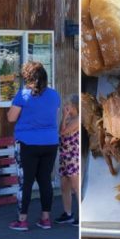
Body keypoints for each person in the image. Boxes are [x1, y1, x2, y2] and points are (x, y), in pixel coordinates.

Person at [7, 61, 61, 231]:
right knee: (45, 180)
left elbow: (11, 118)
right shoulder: (54, 95)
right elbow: (53, 115)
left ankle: (22, 220)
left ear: (27, 77)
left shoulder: (23, 95)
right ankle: (46, 219)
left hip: (27, 143)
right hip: (50, 142)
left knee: (26, 182)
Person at [54, 94, 79, 226]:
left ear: (74, 106)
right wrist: (64, 117)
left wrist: (64, 117)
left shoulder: (77, 120)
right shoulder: (70, 118)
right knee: (64, 186)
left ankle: (82, 215)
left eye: (67, 105)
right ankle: (67, 213)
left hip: (73, 156)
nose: (65, 107)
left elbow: (63, 132)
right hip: (64, 155)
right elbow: (60, 130)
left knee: (76, 186)